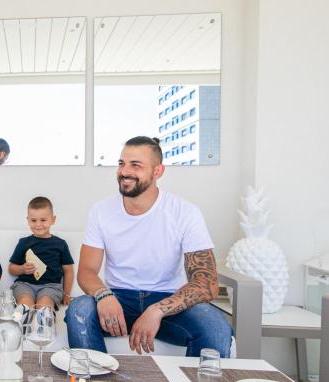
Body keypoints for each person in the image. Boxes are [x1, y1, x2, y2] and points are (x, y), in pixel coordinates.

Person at [65, 136, 233, 357]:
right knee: (79, 310)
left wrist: (157, 310)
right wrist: (103, 295)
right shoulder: (101, 211)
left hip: (167, 302)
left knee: (216, 326)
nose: (124, 171)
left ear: (158, 171)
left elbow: (207, 283)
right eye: (121, 163)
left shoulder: (185, 212)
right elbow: (86, 272)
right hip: (118, 300)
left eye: (136, 165)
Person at [8, 197, 74, 309]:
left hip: (51, 287)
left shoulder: (60, 244)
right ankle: (20, 323)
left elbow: (68, 271)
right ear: (28, 220)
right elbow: (11, 268)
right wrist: (22, 269)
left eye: (43, 220)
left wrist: (66, 294)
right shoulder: (23, 243)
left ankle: (44, 323)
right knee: (25, 304)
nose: (38, 224)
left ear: (53, 220)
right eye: (33, 220)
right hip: (24, 285)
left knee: (44, 306)